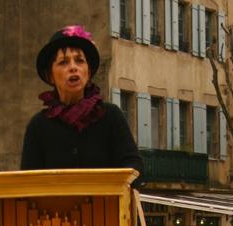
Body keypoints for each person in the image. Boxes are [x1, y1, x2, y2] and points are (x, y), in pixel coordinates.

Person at [21, 25, 143, 178]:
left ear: (89, 72)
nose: (73, 68)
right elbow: (27, 180)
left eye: (79, 61)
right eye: (63, 62)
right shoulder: (38, 126)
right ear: (50, 75)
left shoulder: (111, 115)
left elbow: (133, 165)